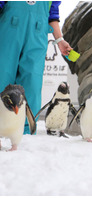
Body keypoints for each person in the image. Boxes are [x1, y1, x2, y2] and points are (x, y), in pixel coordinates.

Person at [0, 1, 72, 134]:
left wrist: (59, 40)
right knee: (2, 76)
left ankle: (26, 130)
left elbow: (53, 16)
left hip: (37, 36)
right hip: (8, 32)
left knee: (32, 82)